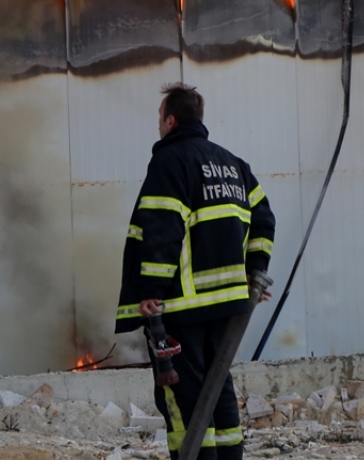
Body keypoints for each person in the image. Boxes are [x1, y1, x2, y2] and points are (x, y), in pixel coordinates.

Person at [115, 83, 276, 460]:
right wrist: (255, 272)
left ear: (170, 120)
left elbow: (161, 227)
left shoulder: (169, 162)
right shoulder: (233, 164)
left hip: (181, 306)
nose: (159, 125)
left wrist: (151, 289)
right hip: (229, 305)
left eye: (160, 118)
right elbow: (264, 218)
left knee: (181, 393)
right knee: (217, 386)